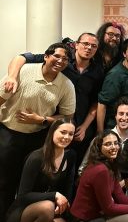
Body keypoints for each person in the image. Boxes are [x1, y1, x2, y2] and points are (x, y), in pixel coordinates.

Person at [0, 42, 76, 222]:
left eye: (65, 59)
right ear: (46, 56)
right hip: (9, 134)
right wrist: (11, 77)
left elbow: (66, 117)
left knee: (32, 186)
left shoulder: (66, 85)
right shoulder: (24, 71)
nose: (60, 61)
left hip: (37, 138)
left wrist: (41, 119)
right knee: (5, 185)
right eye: (57, 56)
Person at [5, 33, 104, 167]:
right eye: (85, 44)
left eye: (93, 46)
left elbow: (96, 101)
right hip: (51, 123)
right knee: (42, 162)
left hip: (79, 125)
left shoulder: (98, 71)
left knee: (72, 163)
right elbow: (21, 57)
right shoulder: (62, 61)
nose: (89, 48)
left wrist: (85, 127)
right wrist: (12, 76)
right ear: (76, 45)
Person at [6, 119, 76, 222]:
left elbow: (68, 189)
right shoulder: (36, 157)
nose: (66, 137)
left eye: (70, 134)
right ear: (52, 133)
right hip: (21, 214)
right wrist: (54, 196)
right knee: (46, 207)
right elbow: (22, 196)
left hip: (51, 209)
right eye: (63, 132)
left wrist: (62, 206)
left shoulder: (70, 156)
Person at [79, 97, 128, 175]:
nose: (124, 118)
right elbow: (82, 169)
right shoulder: (102, 137)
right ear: (115, 116)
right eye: (121, 113)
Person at [97, 37, 128, 133]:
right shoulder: (115, 75)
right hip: (114, 127)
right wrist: (100, 132)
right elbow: (102, 104)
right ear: (124, 54)